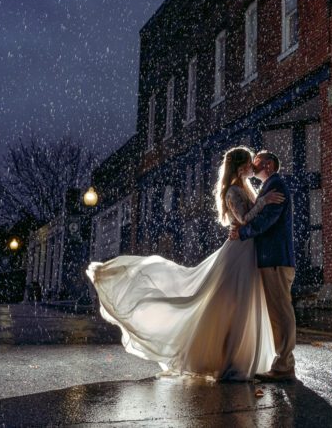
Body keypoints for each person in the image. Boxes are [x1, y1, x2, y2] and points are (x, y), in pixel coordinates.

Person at [85, 146, 284, 381]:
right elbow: (244, 219)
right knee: (233, 303)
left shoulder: (245, 188)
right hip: (239, 252)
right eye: (250, 163)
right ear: (241, 167)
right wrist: (265, 201)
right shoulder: (232, 191)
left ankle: (240, 358)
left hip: (247, 249)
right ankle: (230, 361)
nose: (253, 167)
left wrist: (262, 200)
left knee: (243, 303)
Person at [230, 150, 296, 382]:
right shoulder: (269, 187)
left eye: (256, 161)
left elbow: (266, 221)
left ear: (267, 165)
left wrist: (242, 232)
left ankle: (284, 366)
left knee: (281, 311)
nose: (252, 165)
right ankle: (282, 363)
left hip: (276, 259)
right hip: (272, 258)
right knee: (277, 312)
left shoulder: (275, 185)